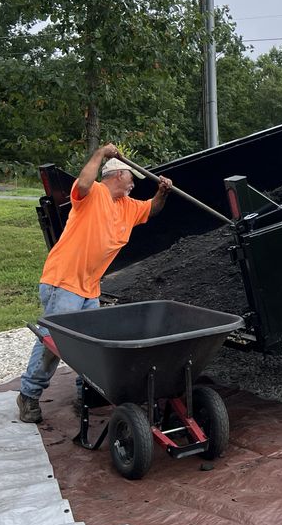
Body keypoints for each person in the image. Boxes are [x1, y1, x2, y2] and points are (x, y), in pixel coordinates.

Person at [17, 143, 173, 423]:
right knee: (54, 343)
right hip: (63, 281)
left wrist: (162, 192)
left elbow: (152, 209)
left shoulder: (127, 207)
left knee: (91, 346)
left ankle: (86, 395)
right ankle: (28, 395)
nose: (133, 185)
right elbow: (83, 182)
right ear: (117, 175)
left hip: (90, 289)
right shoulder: (94, 194)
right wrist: (100, 153)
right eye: (131, 179)